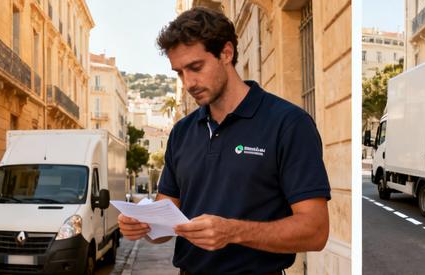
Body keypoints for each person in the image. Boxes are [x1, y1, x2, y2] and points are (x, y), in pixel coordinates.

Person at [117, 7, 331, 274]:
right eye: (179, 72)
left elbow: (316, 231)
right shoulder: (181, 132)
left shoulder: (288, 123)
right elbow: (165, 225)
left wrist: (233, 232)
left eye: (195, 67)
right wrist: (143, 226)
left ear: (226, 53)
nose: (188, 83)